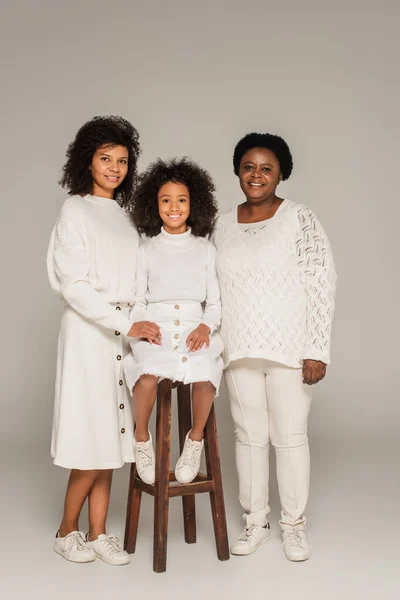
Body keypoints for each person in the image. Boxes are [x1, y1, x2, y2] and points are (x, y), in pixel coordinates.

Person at [212, 132, 337, 561]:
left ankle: (294, 526)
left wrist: (316, 348)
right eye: (249, 167)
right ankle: (256, 522)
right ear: (237, 172)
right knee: (248, 438)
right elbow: (212, 289)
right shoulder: (221, 225)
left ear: (282, 172)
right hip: (238, 348)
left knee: (289, 438)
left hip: (288, 350)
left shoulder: (300, 219)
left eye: (267, 168)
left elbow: (321, 283)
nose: (257, 175)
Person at [47, 116, 160, 565]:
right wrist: (123, 323)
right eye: (105, 158)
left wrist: (140, 324)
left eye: (122, 161)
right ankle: (65, 530)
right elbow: (73, 286)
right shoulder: (74, 210)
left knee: (113, 440)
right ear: (86, 161)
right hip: (89, 334)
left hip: (122, 336)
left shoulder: (127, 216)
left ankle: (97, 533)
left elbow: (138, 279)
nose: (114, 168)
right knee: (91, 438)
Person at [123, 158, 223, 485]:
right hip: (157, 329)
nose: (174, 206)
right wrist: (141, 324)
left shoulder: (205, 250)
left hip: (196, 329)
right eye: (166, 200)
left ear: (194, 204)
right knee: (148, 375)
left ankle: (194, 440)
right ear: (155, 205)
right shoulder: (146, 250)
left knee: (207, 371)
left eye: (181, 199)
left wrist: (205, 327)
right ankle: (142, 439)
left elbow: (215, 303)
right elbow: (138, 300)